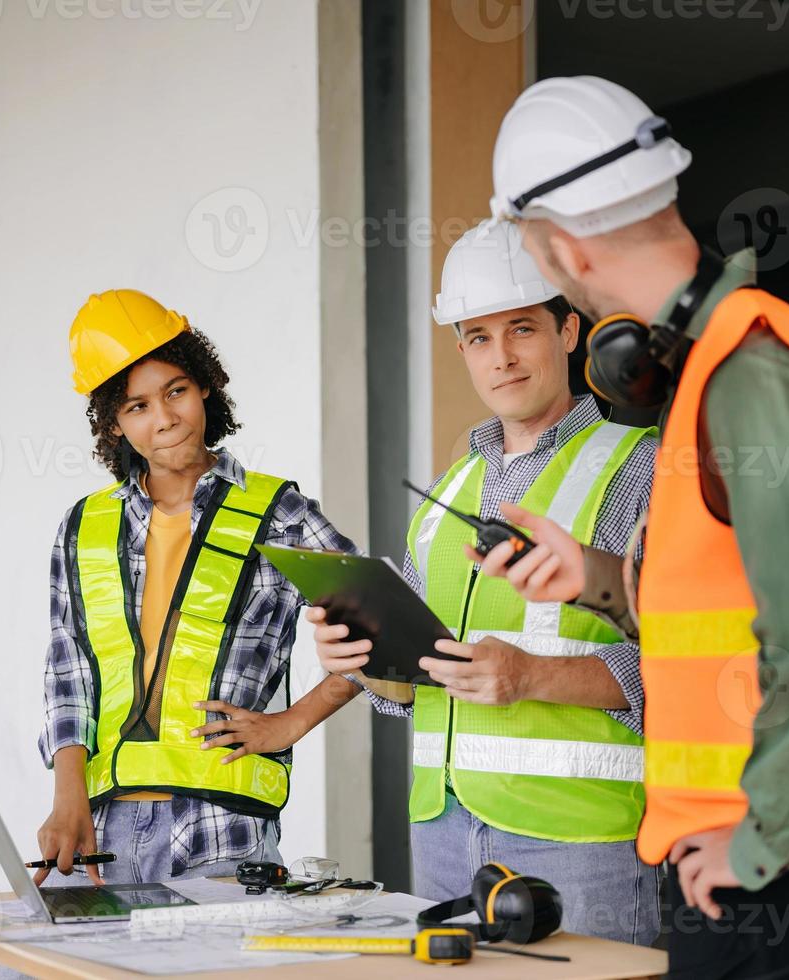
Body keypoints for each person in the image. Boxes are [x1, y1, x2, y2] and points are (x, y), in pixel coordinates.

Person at [475, 76, 789, 978]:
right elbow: (726, 609)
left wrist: (757, 844)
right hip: (766, 849)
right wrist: (592, 579)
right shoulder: (712, 371)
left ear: (564, 246)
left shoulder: (751, 377)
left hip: (782, 860)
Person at [309, 220, 662, 946]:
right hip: (441, 837)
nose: (499, 358)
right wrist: (367, 666)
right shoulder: (447, 494)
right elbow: (412, 690)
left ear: (569, 331)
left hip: (581, 842)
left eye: (521, 329)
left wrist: (530, 676)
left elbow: (683, 662)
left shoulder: (641, 467)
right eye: (476, 337)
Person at [34, 289, 362, 889]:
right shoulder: (85, 526)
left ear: (205, 383)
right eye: (136, 406)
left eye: (175, 391)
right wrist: (67, 796)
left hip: (221, 833)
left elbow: (381, 626)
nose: (164, 418)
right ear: (113, 423)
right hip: (98, 831)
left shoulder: (277, 513)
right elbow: (68, 673)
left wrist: (290, 722)